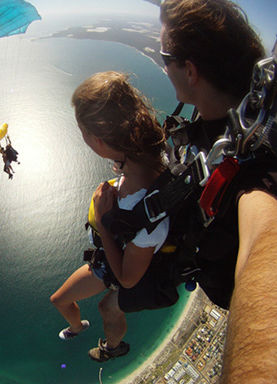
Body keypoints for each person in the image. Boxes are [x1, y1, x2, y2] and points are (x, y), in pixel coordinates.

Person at [96, 0, 275, 379]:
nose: (162, 65)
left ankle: (112, 345)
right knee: (110, 307)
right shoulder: (223, 118)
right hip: (186, 249)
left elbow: (268, 245)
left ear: (190, 70)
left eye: (164, 56)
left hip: (189, 264)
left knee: (110, 306)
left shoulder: (253, 173)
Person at [50, 71, 177, 362]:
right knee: (65, 300)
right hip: (114, 254)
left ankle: (109, 347)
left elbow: (128, 280)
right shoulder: (145, 156)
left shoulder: (148, 212)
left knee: (100, 306)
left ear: (99, 142)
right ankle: (79, 328)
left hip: (119, 266)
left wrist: (106, 224)